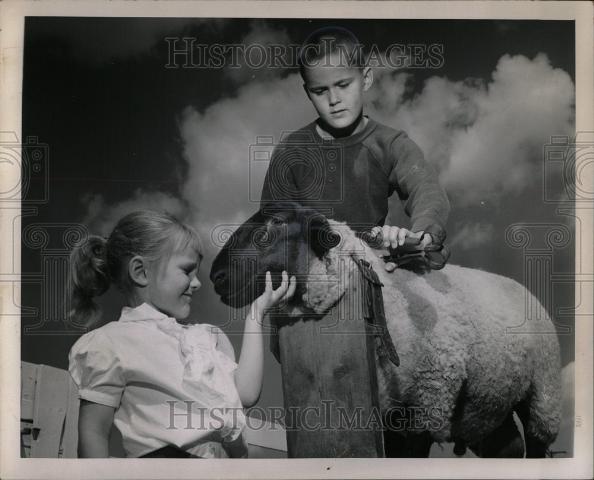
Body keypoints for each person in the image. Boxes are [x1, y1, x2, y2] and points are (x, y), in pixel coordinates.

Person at [67, 210, 296, 458]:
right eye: (187, 271)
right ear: (141, 272)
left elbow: (247, 394)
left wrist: (256, 314)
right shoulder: (109, 343)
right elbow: (94, 434)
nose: (197, 283)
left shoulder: (205, 338)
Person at [260, 27, 450, 270]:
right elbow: (271, 226)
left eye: (343, 84)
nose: (333, 100)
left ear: (366, 78)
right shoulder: (290, 151)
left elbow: (427, 190)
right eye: (320, 91)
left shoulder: (391, 143)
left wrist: (423, 235)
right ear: (308, 92)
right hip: (313, 275)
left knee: (424, 266)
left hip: (372, 267)